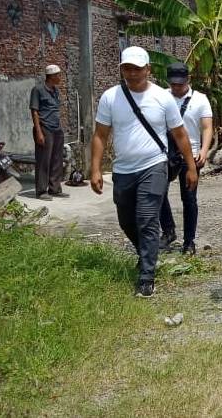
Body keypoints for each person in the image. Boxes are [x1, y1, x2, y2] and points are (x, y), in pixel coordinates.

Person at [90, 46, 198, 298]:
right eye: (127, 68)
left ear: (148, 69)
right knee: (126, 219)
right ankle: (145, 252)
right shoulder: (110, 97)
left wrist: (191, 166)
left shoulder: (162, 98)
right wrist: (94, 169)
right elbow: (100, 135)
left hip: (154, 165)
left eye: (137, 69)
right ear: (121, 70)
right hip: (123, 169)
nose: (132, 73)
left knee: (147, 218)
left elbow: (180, 134)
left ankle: (146, 277)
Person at [158, 62, 213, 255]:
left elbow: (207, 127)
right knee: (158, 193)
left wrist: (204, 151)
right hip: (165, 154)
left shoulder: (200, 100)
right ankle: (168, 230)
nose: (176, 88)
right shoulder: (161, 97)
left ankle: (189, 241)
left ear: (188, 80)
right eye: (173, 84)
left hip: (191, 155)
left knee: (189, 198)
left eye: (180, 84)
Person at [30, 64, 68, 200]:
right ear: (51, 76)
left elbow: (55, 110)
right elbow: (34, 111)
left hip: (56, 128)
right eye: (58, 75)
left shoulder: (55, 91)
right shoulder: (38, 90)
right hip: (44, 128)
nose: (59, 77)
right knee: (43, 160)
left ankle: (55, 189)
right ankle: (41, 191)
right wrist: (39, 132)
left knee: (57, 159)